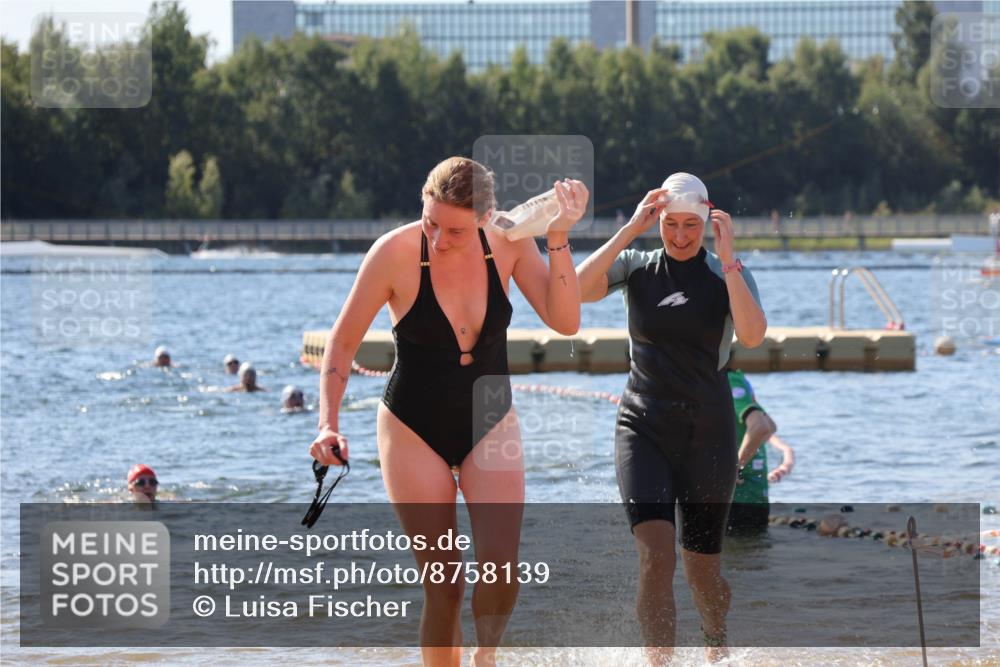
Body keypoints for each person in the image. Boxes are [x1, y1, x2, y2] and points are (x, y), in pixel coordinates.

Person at [309, 156, 588, 667]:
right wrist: (328, 422)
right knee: (445, 584)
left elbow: (565, 320)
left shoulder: (508, 241)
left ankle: (486, 657)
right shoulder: (392, 253)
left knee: (502, 575)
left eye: (454, 230)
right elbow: (342, 343)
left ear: (485, 217)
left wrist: (559, 235)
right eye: (430, 221)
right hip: (413, 426)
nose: (438, 239)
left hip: (490, 417)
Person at [576, 172, 766, 664]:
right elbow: (575, 289)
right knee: (656, 556)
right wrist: (627, 231)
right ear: (657, 219)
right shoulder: (637, 266)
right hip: (643, 426)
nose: (680, 236)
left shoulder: (728, 272)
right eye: (670, 225)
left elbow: (751, 335)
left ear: (707, 221)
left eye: (690, 226)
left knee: (702, 571)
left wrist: (727, 260)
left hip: (709, 433)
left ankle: (716, 643)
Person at [725, 368, 778, 536]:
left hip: (738, 498)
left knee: (731, 559)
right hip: (754, 495)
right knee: (751, 557)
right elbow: (770, 426)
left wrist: (736, 468)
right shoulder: (737, 376)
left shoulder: (729, 380)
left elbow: (761, 427)